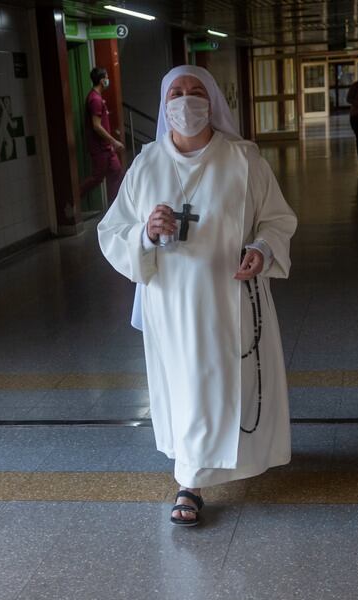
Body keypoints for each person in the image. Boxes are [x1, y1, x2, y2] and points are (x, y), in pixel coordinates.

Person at [98, 66, 298, 527]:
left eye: (195, 92)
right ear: (164, 102)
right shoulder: (146, 163)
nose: (186, 101)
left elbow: (277, 219)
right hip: (173, 305)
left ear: (213, 102)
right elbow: (112, 230)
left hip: (233, 294)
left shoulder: (244, 159)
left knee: (238, 380)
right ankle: (188, 481)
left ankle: (245, 457)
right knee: (187, 385)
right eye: (176, 92)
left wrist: (261, 250)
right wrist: (145, 233)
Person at [80, 67, 126, 203]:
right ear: (101, 81)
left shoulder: (97, 98)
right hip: (100, 148)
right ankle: (74, 199)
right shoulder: (95, 100)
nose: (108, 80)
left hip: (106, 148)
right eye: (106, 78)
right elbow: (96, 126)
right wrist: (114, 141)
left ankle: (115, 206)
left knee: (117, 172)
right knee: (97, 178)